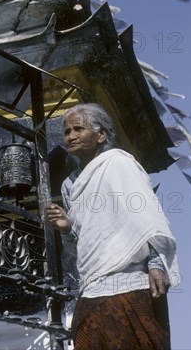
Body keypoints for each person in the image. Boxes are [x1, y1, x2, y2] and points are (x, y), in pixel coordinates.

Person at [46, 103, 179, 349]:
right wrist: (66, 227)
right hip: (92, 286)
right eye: (66, 132)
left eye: (78, 129)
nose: (71, 136)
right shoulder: (69, 185)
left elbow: (149, 219)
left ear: (101, 134)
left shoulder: (120, 164)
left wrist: (157, 263)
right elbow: (80, 247)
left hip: (132, 284)